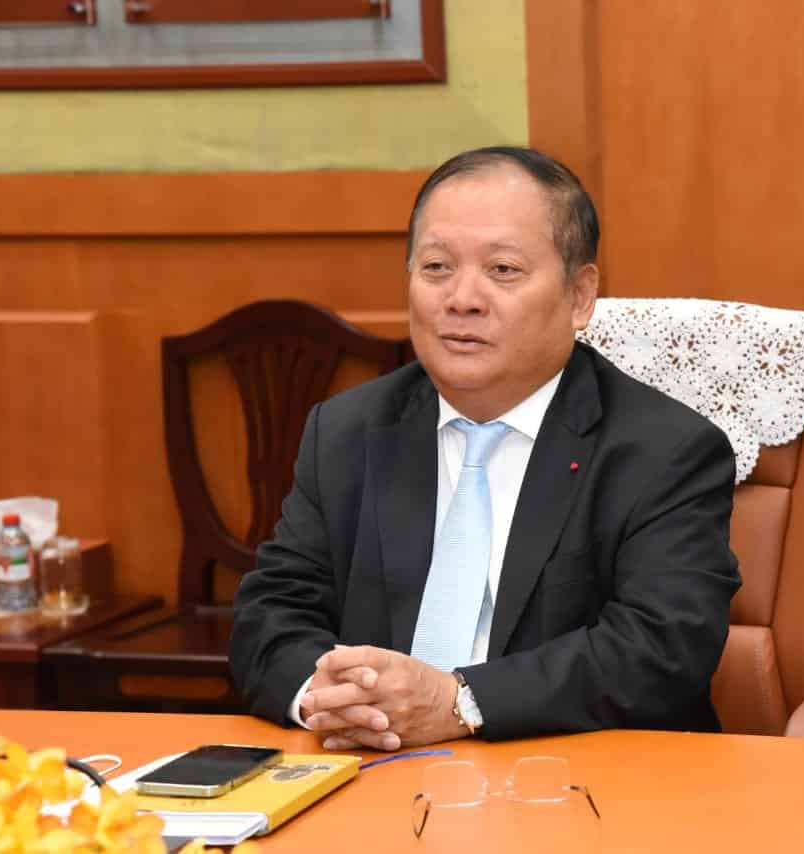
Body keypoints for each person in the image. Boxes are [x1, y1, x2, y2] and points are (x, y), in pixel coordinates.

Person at [229, 146, 740, 751]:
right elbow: (270, 615)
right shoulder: (346, 431)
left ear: (580, 296)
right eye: (436, 267)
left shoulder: (664, 450)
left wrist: (459, 703)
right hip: (371, 768)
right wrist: (334, 700)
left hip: (577, 777)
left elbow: (661, 647)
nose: (462, 299)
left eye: (502, 269)